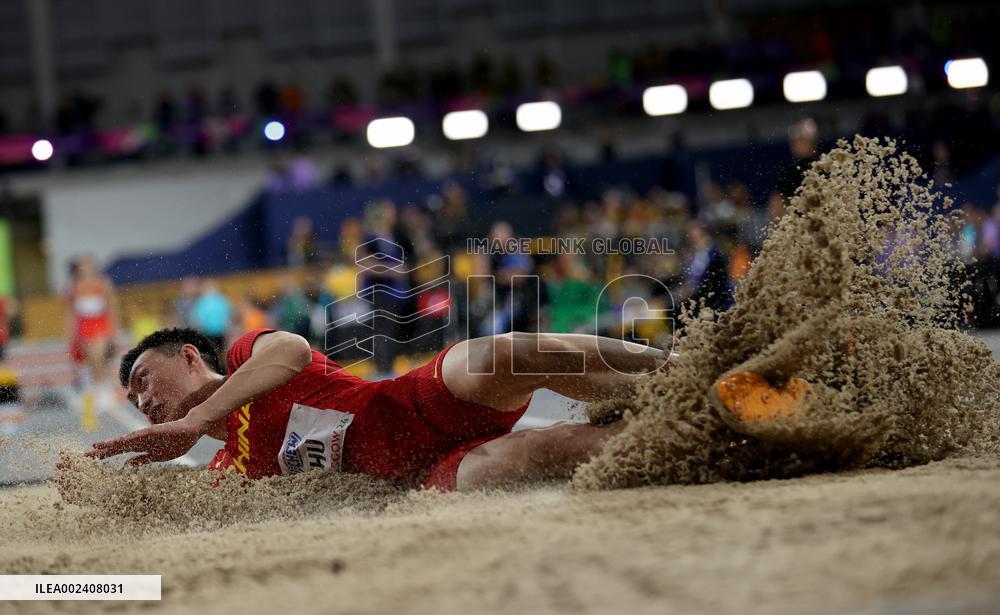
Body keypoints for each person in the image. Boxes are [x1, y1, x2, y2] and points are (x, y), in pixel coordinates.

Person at [76, 327, 668, 493]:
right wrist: (91, 488)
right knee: (549, 450)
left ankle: (674, 367)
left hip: (415, 401)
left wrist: (199, 419)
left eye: (145, 381)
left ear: (187, 358)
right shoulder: (228, 472)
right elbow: (173, 504)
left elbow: (292, 349)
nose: (144, 401)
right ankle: (691, 431)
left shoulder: (244, 357)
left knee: (503, 356)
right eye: (133, 401)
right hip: (426, 474)